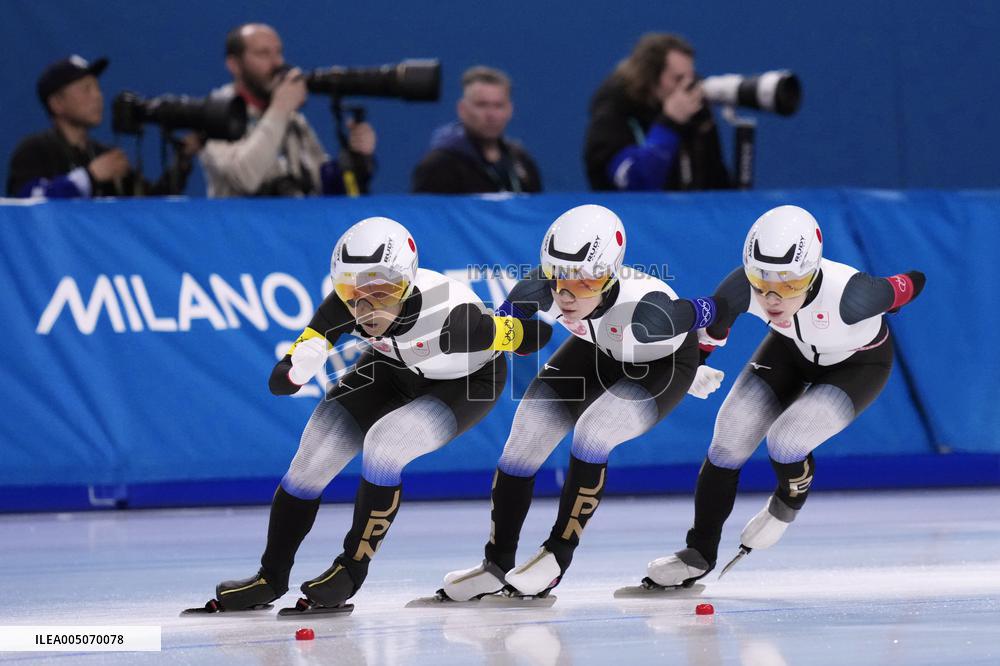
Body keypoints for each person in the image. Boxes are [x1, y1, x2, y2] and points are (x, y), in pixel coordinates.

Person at [191, 216, 552, 614]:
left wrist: (504, 327)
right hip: (389, 369)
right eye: (353, 294)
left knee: (386, 444)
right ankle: (270, 576)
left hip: (465, 382)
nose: (366, 308)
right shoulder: (343, 307)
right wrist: (296, 368)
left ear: (407, 283)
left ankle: (351, 569)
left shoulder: (453, 315)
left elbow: (537, 337)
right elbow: (280, 382)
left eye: (382, 292)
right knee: (311, 459)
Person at [438, 204, 726, 601]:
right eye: (559, 277)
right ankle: (497, 562)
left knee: (594, 432)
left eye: (586, 281)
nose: (568, 294)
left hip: (663, 365)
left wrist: (700, 361)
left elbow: (716, 309)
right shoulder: (539, 288)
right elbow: (505, 334)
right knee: (524, 438)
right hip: (596, 351)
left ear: (611, 275)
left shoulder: (649, 308)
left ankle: (557, 555)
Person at [643, 205, 925, 590]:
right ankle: (699, 553)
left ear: (813, 271)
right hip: (789, 350)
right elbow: (709, 337)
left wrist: (901, 291)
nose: (773, 299)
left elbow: (913, 282)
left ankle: (786, 504)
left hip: (858, 364)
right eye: (762, 283)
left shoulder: (853, 295)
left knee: (787, 440)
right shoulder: (742, 286)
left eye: (790, 285)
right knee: (729, 438)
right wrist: (689, 369)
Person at [200, 23, 377, 197]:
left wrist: (356, 159)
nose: (277, 62)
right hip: (240, 216)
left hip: (296, 216)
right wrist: (280, 109)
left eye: (278, 52)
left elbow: (321, 186)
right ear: (234, 65)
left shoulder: (293, 119)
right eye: (263, 53)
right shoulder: (216, 114)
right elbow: (245, 178)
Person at [6, 55, 197, 198]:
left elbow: (148, 207)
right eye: (86, 89)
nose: (98, 96)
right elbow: (29, 202)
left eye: (97, 88)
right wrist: (90, 177)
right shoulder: (34, 151)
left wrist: (181, 163)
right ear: (57, 104)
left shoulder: (103, 155)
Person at [584, 33, 730, 192]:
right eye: (678, 79)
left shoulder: (697, 112)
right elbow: (636, 182)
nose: (687, 87)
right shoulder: (613, 112)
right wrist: (670, 123)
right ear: (650, 79)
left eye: (691, 77)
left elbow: (717, 180)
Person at [411, 66, 542, 194]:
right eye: (482, 105)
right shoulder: (438, 166)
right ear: (462, 109)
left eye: (498, 105)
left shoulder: (521, 160)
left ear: (510, 110)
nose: (491, 115)